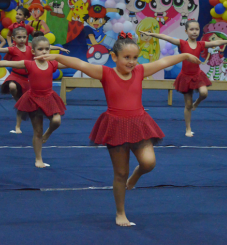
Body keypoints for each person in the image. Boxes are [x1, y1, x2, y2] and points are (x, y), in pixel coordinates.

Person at [33, 31, 201, 227]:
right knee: (120, 173)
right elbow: (79, 64)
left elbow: (164, 62)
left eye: (135, 58)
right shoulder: (105, 73)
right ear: (114, 57)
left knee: (149, 163)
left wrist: (185, 55)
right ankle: (120, 212)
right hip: (115, 125)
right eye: (126, 57)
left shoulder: (139, 71)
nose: (131, 62)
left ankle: (136, 175)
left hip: (139, 124)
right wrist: (56, 56)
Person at [139, 19, 227, 137]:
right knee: (187, 105)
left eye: (196, 29)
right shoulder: (182, 43)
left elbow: (216, 43)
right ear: (186, 31)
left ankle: (196, 103)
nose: (194, 32)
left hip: (197, 75)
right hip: (186, 77)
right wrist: (151, 34)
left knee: (204, 93)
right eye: (191, 29)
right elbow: (165, 37)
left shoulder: (201, 44)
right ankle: (188, 128)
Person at [0, 36, 67, 168]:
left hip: (49, 97)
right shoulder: (29, 64)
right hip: (34, 99)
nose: (44, 52)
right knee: (37, 130)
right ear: (33, 52)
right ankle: (38, 158)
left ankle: (47, 134)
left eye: (47, 49)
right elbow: (7, 63)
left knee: (56, 121)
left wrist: (59, 57)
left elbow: (70, 63)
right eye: (40, 49)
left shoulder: (52, 64)